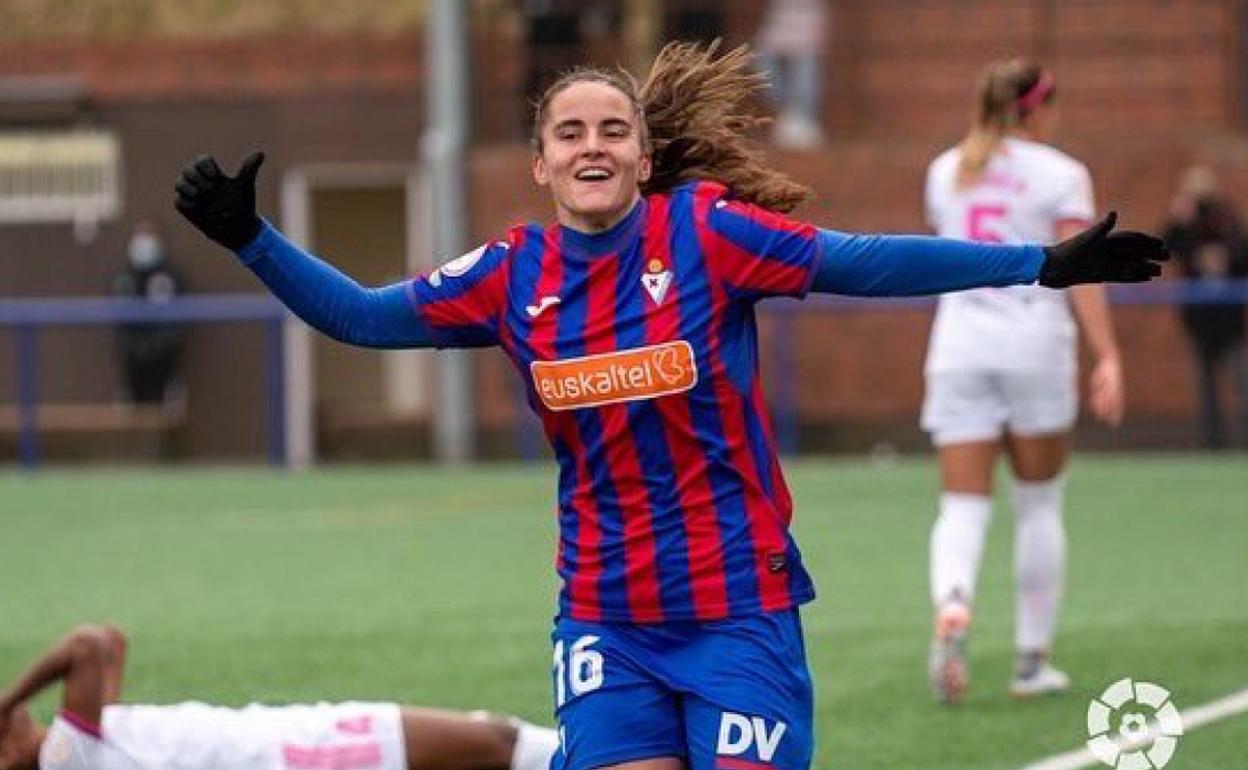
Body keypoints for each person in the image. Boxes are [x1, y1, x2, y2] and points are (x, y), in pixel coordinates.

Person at [173, 41, 1166, 770]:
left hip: (738, 612)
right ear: (542, 163)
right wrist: (252, 238)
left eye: (614, 130)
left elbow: (863, 261)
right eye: (570, 132)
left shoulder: (707, 233)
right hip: (607, 621)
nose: (592, 145)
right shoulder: (512, 272)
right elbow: (361, 316)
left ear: (644, 159)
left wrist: (1040, 264)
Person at [920, 59, 1128, 705]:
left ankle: (953, 605)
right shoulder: (1063, 175)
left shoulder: (946, 169)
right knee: (1038, 504)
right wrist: (1108, 356)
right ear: (1036, 108)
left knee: (962, 506)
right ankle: (1032, 661)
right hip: (1034, 348)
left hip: (959, 348)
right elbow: (1082, 271)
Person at [0, 624, 558, 770]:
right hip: (297, 753)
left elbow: (111, 642)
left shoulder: (82, 742)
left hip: (289, 738)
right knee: (493, 741)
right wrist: (7, 701)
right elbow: (90, 643)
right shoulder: (62, 757)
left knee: (484, 742)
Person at [1162, 165, 1248, 449]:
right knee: (1206, 384)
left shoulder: (1224, 216)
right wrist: (1176, 221)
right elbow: (1165, 249)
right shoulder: (1186, 221)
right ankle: (1214, 443)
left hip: (1230, 320)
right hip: (1199, 319)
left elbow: (1241, 253)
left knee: (1240, 379)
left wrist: (1223, 257)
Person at [110, 221, 186, 405]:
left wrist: (156, 346)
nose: (143, 242)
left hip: (165, 364)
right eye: (140, 236)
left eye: (148, 235)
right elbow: (118, 323)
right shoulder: (122, 279)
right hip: (132, 366)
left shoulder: (171, 277)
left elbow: (179, 323)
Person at [756, 0, 828, 149]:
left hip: (808, 17)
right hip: (780, 18)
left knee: (805, 70)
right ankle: (790, 114)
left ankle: (802, 119)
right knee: (760, 60)